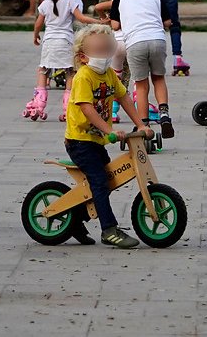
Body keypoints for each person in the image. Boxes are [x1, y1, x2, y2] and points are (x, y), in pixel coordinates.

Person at [65, 24, 150, 248]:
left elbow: (124, 99)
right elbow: (87, 108)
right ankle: (109, 230)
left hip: (96, 142)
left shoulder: (110, 74)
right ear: (83, 57)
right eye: (99, 51)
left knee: (105, 181)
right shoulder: (83, 77)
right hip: (80, 142)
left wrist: (140, 124)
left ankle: (75, 219)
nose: (104, 55)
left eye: (107, 50)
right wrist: (109, 130)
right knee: (100, 182)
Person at [23, 0, 105, 122]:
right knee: (70, 72)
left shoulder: (45, 4)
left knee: (43, 70)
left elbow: (38, 24)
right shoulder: (70, 1)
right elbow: (81, 18)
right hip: (67, 41)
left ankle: (39, 104)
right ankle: (68, 107)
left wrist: (35, 36)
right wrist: (97, 21)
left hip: (49, 42)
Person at [108, 0, 174, 138]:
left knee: (141, 85)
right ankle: (164, 114)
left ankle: (143, 125)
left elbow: (114, 25)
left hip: (136, 42)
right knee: (159, 78)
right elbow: (167, 21)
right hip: (157, 40)